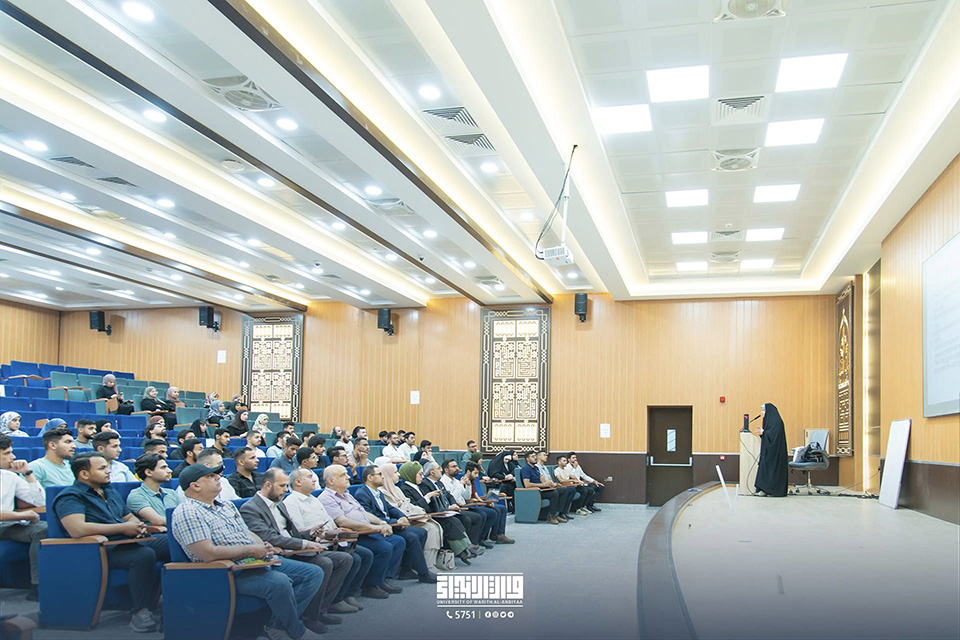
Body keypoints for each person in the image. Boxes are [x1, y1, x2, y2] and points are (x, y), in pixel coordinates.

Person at [171, 463, 326, 640]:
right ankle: (296, 631)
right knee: (279, 583)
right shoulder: (188, 512)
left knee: (313, 573)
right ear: (195, 486)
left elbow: (247, 533)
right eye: (210, 477)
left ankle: (277, 626)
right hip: (226, 572)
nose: (218, 478)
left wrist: (263, 546)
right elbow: (207, 553)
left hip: (254, 561)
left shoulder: (226, 506)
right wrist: (252, 549)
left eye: (216, 475)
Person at [52, 453, 170, 633]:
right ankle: (141, 610)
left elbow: (128, 518)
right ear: (84, 474)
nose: (108, 471)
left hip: (128, 542)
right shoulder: (71, 497)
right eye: (102, 468)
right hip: (98, 549)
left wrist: (137, 527)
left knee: (172, 542)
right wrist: (122, 528)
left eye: (107, 467)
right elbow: (77, 529)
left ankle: (181, 603)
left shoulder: (110, 492)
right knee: (143, 555)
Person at [240, 468, 354, 629]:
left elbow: (291, 533)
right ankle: (305, 617)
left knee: (344, 559)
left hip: (293, 548)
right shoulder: (250, 508)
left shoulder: (279, 504)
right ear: (267, 485)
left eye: (286, 486)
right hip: (279, 552)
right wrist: (304, 544)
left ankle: (320, 609)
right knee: (324, 564)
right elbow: (270, 537)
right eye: (282, 486)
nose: (286, 490)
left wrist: (309, 533)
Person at [285, 468, 371, 612]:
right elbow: (299, 531)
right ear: (298, 482)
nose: (314, 480)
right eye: (310, 477)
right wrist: (323, 534)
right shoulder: (292, 502)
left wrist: (336, 530)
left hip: (331, 540)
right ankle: (328, 604)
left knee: (364, 555)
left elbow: (329, 521)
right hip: (313, 545)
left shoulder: (314, 499)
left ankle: (343, 595)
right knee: (345, 559)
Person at [318, 465, 405, 599]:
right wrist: (375, 528)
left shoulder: (347, 495)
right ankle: (370, 586)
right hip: (353, 535)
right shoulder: (326, 498)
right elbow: (343, 522)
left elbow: (364, 513)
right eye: (343, 475)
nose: (348, 477)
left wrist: (381, 523)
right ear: (331, 481)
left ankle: (382, 580)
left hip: (366, 530)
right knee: (384, 548)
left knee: (397, 541)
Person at [355, 466, 437, 583]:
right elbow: (370, 517)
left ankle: (406, 570)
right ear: (370, 477)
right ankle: (423, 574)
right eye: (379, 474)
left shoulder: (377, 492)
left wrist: (402, 517)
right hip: (380, 527)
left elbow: (390, 508)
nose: (383, 477)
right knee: (411, 537)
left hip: (391, 524)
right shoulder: (362, 494)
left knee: (421, 532)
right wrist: (396, 522)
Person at [397, 461, 473, 565]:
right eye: (420, 474)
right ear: (411, 474)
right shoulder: (405, 489)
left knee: (455, 520)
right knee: (449, 523)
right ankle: (463, 550)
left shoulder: (418, 486)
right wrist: (428, 497)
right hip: (420, 518)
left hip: (429, 514)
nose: (423, 476)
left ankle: (466, 547)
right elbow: (413, 507)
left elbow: (447, 496)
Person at [0, 434, 47, 599]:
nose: (13, 457)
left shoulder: (9, 476)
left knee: (44, 530)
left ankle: (38, 586)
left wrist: (28, 473)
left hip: (6, 526)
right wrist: (22, 515)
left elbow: (40, 501)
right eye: (7, 453)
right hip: (7, 522)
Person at [379, 463, 444, 568]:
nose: (398, 475)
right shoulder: (382, 492)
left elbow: (408, 504)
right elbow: (395, 510)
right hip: (401, 522)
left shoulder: (397, 489)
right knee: (430, 529)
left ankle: (430, 562)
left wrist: (421, 511)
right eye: (395, 472)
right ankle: (427, 565)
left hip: (411, 517)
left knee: (435, 526)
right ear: (388, 475)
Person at [421, 461, 483, 555]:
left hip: (448, 509)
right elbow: (433, 504)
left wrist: (453, 504)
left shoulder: (439, 483)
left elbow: (449, 495)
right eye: (438, 468)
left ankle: (468, 546)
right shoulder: (425, 484)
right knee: (456, 520)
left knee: (462, 519)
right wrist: (448, 508)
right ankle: (464, 549)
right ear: (432, 472)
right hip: (438, 513)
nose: (441, 470)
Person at [440, 460, 496, 549]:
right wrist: (461, 485)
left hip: (463, 505)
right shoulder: (443, 482)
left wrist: (468, 485)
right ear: (446, 470)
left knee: (484, 514)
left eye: (456, 466)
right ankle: (469, 545)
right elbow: (452, 498)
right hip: (454, 508)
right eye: (454, 466)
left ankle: (475, 543)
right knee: (474, 517)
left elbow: (466, 497)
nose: (457, 468)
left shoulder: (455, 480)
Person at [463, 461, 513, 543]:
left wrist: (486, 501)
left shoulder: (471, 481)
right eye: (475, 473)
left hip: (477, 503)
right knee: (494, 512)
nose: (477, 476)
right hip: (470, 505)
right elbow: (468, 499)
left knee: (502, 508)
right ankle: (483, 538)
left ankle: (499, 535)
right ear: (468, 472)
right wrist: (485, 503)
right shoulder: (464, 481)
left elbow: (476, 496)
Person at [127, 453, 180, 526]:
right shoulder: (136, 495)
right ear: (148, 472)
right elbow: (158, 521)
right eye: (163, 467)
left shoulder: (172, 493)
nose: (170, 471)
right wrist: (183, 521)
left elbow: (182, 514)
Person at [755, 403, 789, 497]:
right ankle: (764, 489)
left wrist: (764, 433)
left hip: (776, 453)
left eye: (763, 410)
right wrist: (763, 434)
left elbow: (775, 436)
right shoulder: (768, 421)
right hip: (768, 452)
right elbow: (769, 436)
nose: (762, 412)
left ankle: (772, 490)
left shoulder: (777, 422)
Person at [520, 451, 563, 524]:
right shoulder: (526, 469)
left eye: (535, 456)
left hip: (541, 489)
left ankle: (557, 514)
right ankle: (551, 516)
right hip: (533, 492)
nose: (535, 458)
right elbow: (527, 484)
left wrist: (549, 484)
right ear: (527, 459)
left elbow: (541, 479)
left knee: (562, 490)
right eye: (532, 457)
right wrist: (543, 485)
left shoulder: (536, 468)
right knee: (554, 493)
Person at [536, 450, 576, 520]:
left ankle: (559, 513)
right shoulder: (536, 467)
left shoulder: (544, 467)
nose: (546, 457)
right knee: (559, 491)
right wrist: (551, 484)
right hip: (543, 487)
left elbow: (549, 478)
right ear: (538, 457)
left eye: (546, 455)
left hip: (550, 486)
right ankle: (554, 515)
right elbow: (542, 479)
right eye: (544, 455)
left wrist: (554, 484)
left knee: (565, 490)